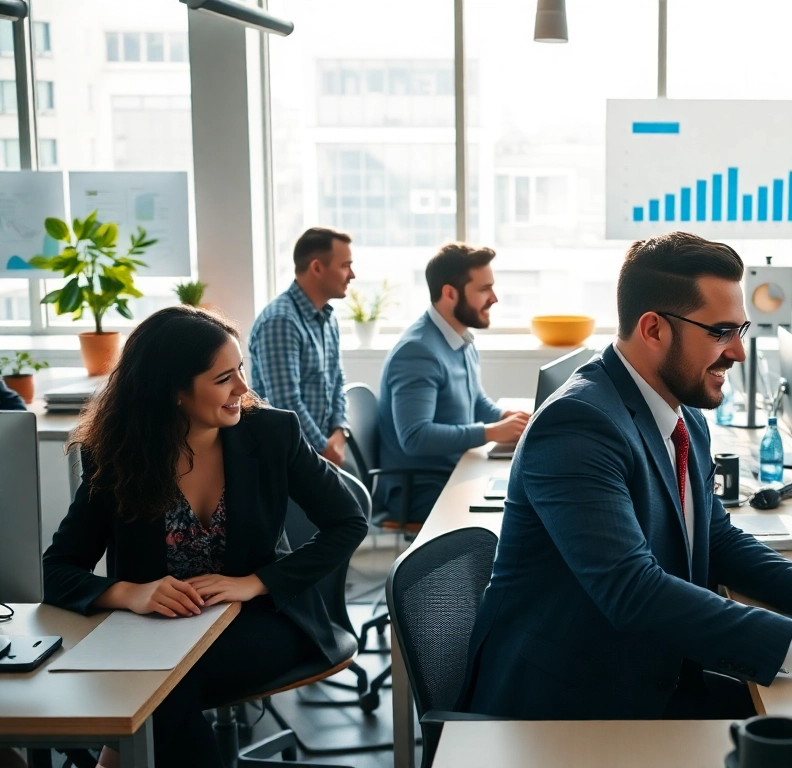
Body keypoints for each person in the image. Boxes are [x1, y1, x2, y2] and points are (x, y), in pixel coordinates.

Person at [458, 232, 792, 721]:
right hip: (566, 709)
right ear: (653, 329)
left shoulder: (683, 415)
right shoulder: (578, 425)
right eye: (720, 332)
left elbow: (716, 536)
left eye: (740, 330)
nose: (738, 353)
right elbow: (633, 590)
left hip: (653, 674)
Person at [42, 306, 365, 768]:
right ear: (173, 390)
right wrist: (132, 593)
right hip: (153, 634)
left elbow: (348, 522)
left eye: (239, 371)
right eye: (223, 379)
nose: (242, 389)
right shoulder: (115, 455)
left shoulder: (273, 433)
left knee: (165, 686)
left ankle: (110, 758)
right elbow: (58, 569)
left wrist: (255, 582)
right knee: (165, 683)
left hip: (265, 616)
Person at [377, 243, 529, 523]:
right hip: (424, 488)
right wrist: (492, 432)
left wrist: (506, 418)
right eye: (483, 289)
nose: (494, 298)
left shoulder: (460, 338)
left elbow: (474, 400)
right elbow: (415, 437)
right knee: (522, 510)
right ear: (449, 293)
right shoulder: (418, 352)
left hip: (454, 472)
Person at [249, 227, 355, 465]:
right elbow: (285, 404)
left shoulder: (328, 317)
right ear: (317, 268)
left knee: (358, 499)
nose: (352, 275)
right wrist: (323, 448)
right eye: (345, 265)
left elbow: (337, 380)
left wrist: (340, 431)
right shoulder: (281, 321)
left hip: (321, 452)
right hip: (290, 459)